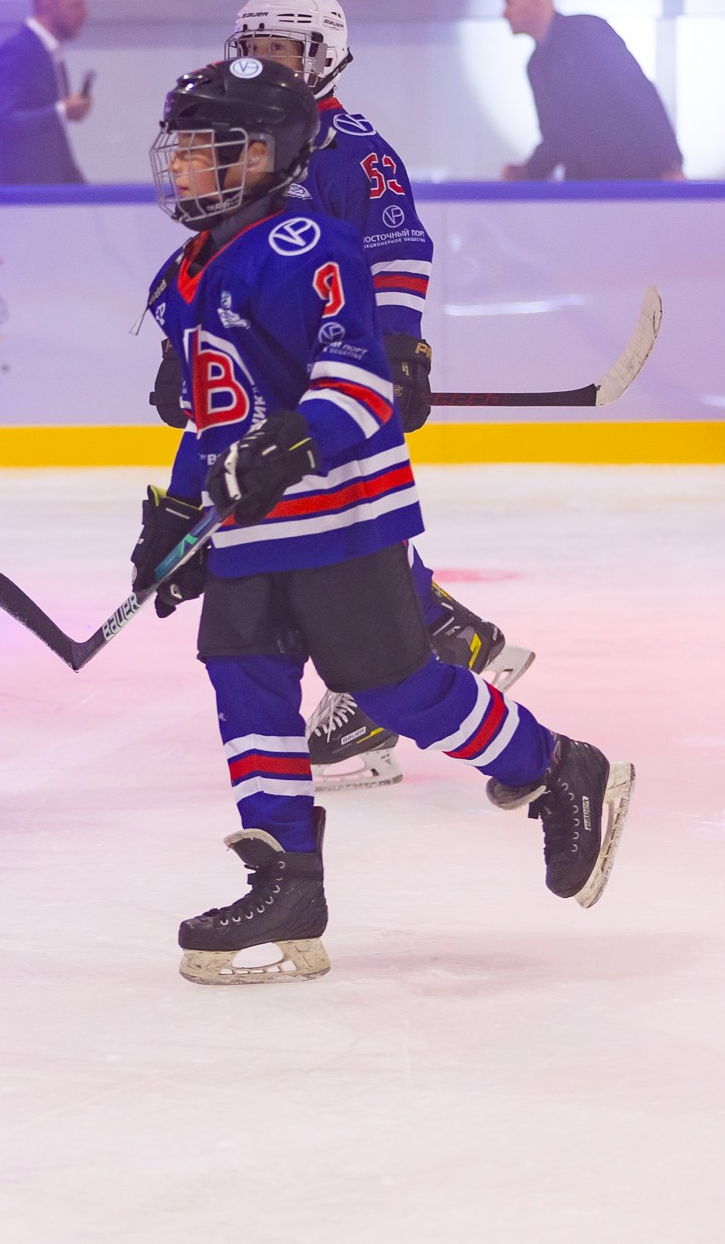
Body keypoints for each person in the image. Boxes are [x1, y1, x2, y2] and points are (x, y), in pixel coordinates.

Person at [139, 56, 634, 985]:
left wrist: (294, 439)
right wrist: (174, 515)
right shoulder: (184, 273)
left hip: (342, 516)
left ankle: (559, 766)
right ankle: (286, 878)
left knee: (394, 687)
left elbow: (358, 381)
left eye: (211, 149)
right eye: (186, 149)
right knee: (243, 681)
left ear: (269, 154)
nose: (188, 166)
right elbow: (215, 419)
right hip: (250, 532)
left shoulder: (310, 246)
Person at [152, 0, 533, 791]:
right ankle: (456, 642)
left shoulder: (355, 148)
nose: (268, 63)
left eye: (287, 51)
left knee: (341, 515)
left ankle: (431, 663)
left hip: (329, 368)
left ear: (324, 56)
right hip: (274, 366)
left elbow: (399, 246)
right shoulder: (239, 135)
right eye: (257, 47)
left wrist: (397, 347)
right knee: (307, 517)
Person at [500, 0, 685, 181]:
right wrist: (528, 172)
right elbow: (556, 136)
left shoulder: (586, 33)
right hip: (585, 188)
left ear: (535, 2)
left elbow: (636, 92)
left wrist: (670, 163)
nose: (504, 14)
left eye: (509, 3)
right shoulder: (536, 66)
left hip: (634, 180)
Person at [0, 0, 93, 185]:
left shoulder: (50, 55)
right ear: (45, 3)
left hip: (41, 195)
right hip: (14, 196)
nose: (84, 13)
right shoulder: (17, 51)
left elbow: (54, 140)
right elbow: (1, 120)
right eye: (75, 5)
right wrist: (62, 111)